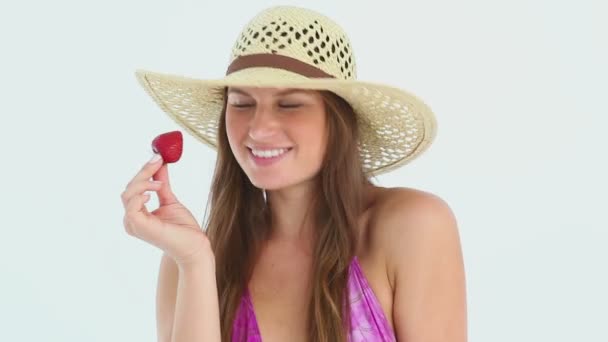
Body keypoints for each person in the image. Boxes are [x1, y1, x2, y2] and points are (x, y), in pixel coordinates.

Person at [122, 5, 467, 342]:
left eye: (290, 104)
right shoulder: (191, 257)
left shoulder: (412, 226)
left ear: (337, 120)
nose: (258, 128)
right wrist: (195, 263)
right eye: (242, 103)